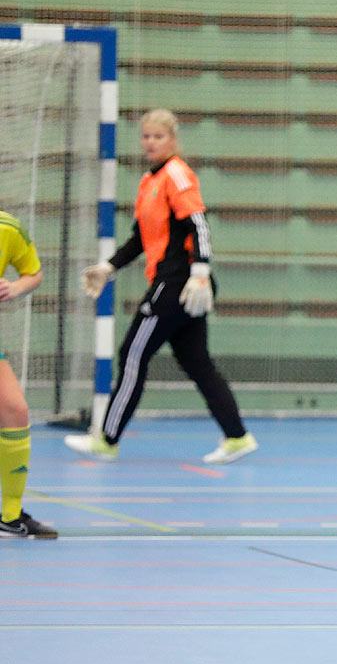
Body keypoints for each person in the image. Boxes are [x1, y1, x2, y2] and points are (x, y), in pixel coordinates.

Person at [63, 108, 256, 465]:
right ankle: (237, 436)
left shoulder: (177, 175)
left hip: (179, 282)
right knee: (197, 362)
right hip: (170, 280)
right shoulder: (148, 182)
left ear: (173, 139)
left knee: (132, 354)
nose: (151, 143)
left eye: (158, 136)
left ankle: (106, 438)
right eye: (146, 136)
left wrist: (200, 272)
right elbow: (141, 238)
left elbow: (198, 224)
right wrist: (109, 267)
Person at [0, 212, 55, 539]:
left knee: (15, 411)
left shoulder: (7, 228)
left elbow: (33, 273)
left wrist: (14, 287)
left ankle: (10, 515)